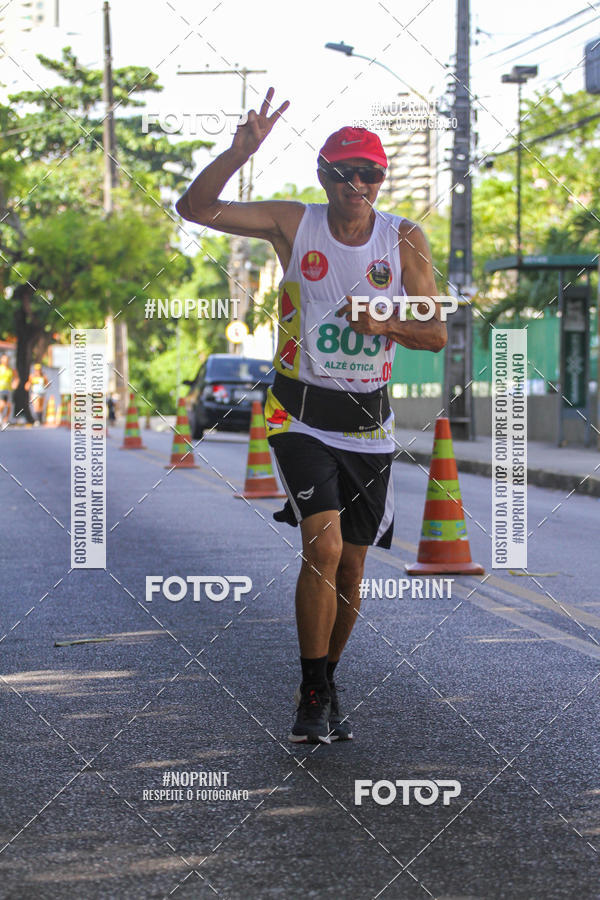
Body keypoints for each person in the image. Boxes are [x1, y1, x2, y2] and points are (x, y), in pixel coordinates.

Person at [176, 88, 447, 744]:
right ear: (323, 176)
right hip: (297, 413)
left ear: (382, 180)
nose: (357, 185)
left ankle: (327, 677)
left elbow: (435, 332)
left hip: (368, 425)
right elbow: (195, 208)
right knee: (321, 547)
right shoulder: (294, 224)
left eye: (370, 174)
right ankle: (310, 687)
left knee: (353, 569)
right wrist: (237, 153)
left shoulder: (403, 238)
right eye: (344, 172)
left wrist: (381, 319)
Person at [0, 354, 18, 427]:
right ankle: (1, 419)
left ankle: (5, 420)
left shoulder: (11, 370)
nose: (5, 361)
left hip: (8, 390)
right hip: (1, 389)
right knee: (2, 405)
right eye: (4, 359)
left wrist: (15, 384)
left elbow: (16, 378)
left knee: (9, 406)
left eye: (7, 359)